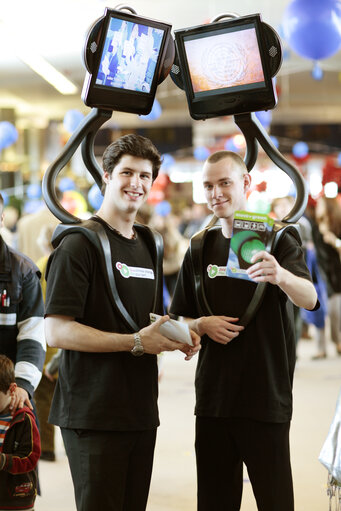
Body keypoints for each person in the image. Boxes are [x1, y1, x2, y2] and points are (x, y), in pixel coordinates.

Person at [44, 134, 200, 511]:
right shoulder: (78, 244)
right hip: (93, 412)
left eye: (145, 175)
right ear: (107, 177)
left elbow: (143, 318)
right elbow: (57, 329)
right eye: (127, 173)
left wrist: (176, 335)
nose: (136, 183)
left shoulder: (151, 242)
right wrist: (134, 343)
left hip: (140, 408)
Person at [169, 151, 318, 511]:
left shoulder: (279, 237)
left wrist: (280, 275)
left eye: (224, 182)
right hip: (214, 400)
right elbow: (176, 321)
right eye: (208, 185)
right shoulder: (199, 245)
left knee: (275, 498)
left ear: (246, 184)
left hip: (265, 396)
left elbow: (310, 299)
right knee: (215, 501)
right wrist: (199, 324)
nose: (215, 192)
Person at [0, 192, 45, 413]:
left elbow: (32, 335)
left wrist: (23, 386)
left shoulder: (23, 272)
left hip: (7, 398)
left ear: (1, 219)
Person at [0, 354, 41, 511]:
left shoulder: (23, 419)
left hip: (17, 498)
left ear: (11, 389)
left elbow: (31, 457)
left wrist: (4, 461)